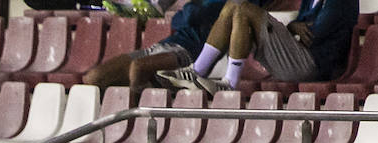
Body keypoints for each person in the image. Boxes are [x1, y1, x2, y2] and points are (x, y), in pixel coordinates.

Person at [157, 0, 358, 96]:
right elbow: (301, 26)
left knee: (243, 8)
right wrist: (292, 26)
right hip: (298, 56)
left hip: (313, 65)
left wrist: (291, 27)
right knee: (233, 6)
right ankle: (197, 71)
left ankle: (229, 82)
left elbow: (313, 35)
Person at [83, 0, 236, 104]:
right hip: (164, 45)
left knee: (139, 68)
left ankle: (134, 119)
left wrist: (186, 11)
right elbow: (178, 20)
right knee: (93, 78)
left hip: (192, 51)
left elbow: (190, 17)